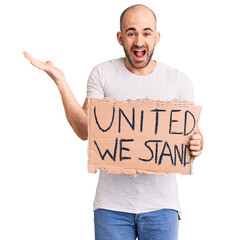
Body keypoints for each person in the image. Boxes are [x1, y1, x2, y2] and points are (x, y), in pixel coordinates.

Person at [23, 4, 203, 240]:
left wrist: (198, 145)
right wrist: (60, 81)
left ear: (157, 37)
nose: (139, 41)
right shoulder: (102, 74)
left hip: (162, 207)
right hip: (112, 209)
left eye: (146, 33)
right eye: (131, 33)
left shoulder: (179, 82)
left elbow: (192, 137)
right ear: (120, 38)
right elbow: (83, 130)